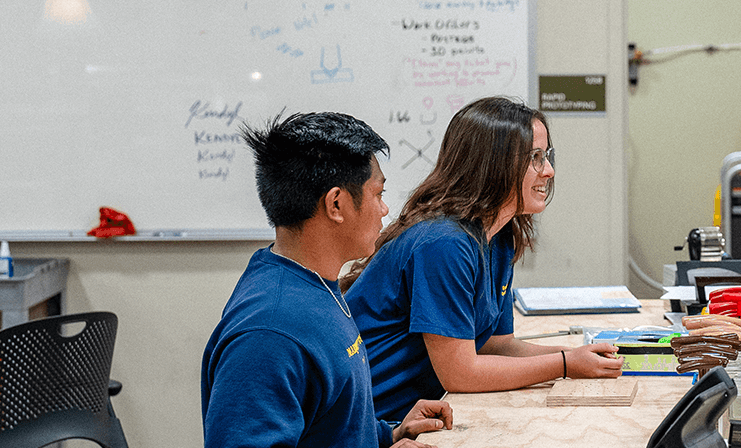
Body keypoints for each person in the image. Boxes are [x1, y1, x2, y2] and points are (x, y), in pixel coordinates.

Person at [345, 96, 623, 421]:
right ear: (494, 163)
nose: (548, 170)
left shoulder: (499, 234)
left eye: (546, 156)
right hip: (377, 425)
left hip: (422, 411)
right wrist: (564, 365)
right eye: (534, 158)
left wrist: (579, 355)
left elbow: (495, 346)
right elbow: (460, 374)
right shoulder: (444, 243)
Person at [201, 112, 453, 447]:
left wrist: (389, 433)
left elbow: (327, 426)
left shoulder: (315, 285)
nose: (384, 209)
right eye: (378, 193)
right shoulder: (270, 333)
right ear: (336, 204)